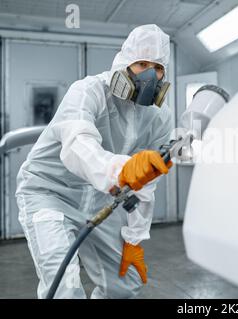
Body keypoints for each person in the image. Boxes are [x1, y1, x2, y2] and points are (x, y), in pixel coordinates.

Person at [15, 24, 173, 299]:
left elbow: (148, 182)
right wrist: (121, 169)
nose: (150, 74)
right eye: (141, 64)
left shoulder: (160, 116)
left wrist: (134, 238)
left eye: (157, 67)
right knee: (66, 285)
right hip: (49, 193)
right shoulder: (89, 91)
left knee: (125, 286)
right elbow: (78, 144)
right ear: (125, 64)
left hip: (100, 201)